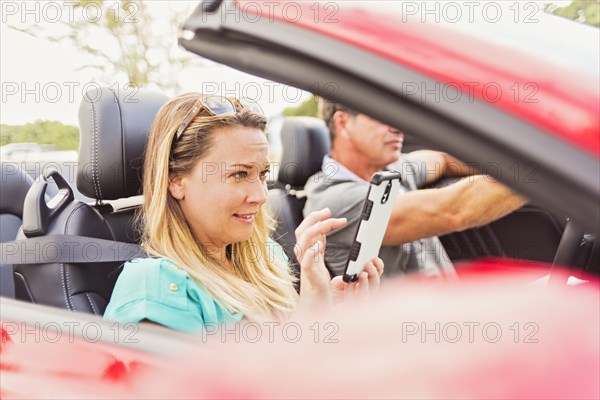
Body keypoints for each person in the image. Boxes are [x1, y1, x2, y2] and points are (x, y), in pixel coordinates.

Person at [103, 94, 383, 333]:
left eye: (262, 174)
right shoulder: (157, 289)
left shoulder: (266, 257)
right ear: (176, 181)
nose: (261, 196)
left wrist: (321, 302)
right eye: (239, 174)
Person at [304, 102, 527, 279]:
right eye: (381, 114)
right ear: (342, 123)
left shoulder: (391, 168)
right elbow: (452, 211)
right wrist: (532, 173)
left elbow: (443, 160)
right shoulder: (331, 201)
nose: (396, 126)